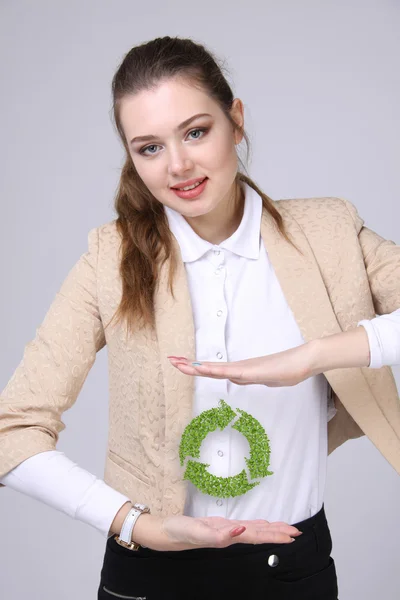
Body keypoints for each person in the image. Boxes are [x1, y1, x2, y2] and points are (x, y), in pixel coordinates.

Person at [1, 35, 399, 600]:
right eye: (149, 148)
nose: (178, 165)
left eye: (195, 131)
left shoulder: (330, 233)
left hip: (293, 572)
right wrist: (137, 524)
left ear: (235, 121)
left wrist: (315, 355)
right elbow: (11, 431)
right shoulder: (108, 260)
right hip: (148, 576)